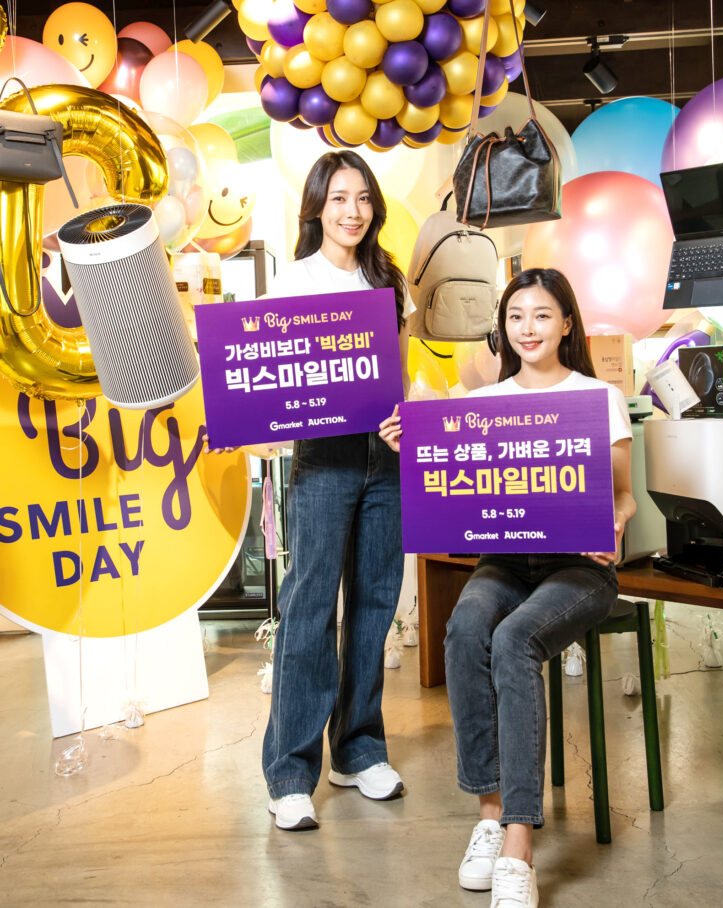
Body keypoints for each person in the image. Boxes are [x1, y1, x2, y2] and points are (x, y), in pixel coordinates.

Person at [379, 268, 635, 907]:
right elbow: (451, 476)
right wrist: (410, 447)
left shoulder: (598, 397)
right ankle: (490, 818)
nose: (528, 328)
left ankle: (519, 845)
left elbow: (624, 496)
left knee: (515, 638)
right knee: (465, 628)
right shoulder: (482, 402)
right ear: (503, 327)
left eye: (542, 315)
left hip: (579, 569)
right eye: (516, 316)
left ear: (566, 324)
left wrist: (614, 526)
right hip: (505, 561)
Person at [260, 151, 414, 832]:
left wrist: (404, 418)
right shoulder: (294, 281)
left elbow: (397, 376)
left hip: (385, 459)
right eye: (339, 199)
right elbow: (275, 376)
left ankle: (359, 750)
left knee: (376, 604)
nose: (353, 211)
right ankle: (290, 773)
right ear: (317, 208)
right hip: (323, 459)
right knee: (310, 607)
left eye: (363, 198)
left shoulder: (389, 280)